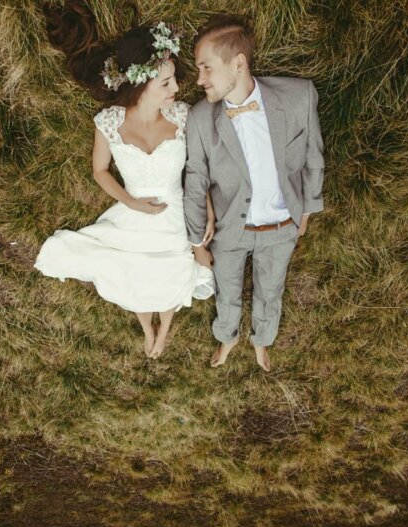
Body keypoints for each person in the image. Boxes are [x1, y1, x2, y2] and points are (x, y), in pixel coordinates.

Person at [35, 1, 215, 359]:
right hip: (133, 210)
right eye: (166, 82)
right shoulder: (109, 122)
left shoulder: (182, 116)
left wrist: (206, 209)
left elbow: (199, 168)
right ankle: (147, 325)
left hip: (176, 213)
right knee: (131, 270)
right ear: (142, 85)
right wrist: (130, 202)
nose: (176, 87)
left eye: (173, 78)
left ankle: (164, 326)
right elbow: (100, 170)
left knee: (173, 269)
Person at [184, 14, 325, 371]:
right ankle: (227, 336)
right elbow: (196, 178)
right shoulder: (201, 118)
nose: (199, 80)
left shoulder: (298, 97)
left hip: (282, 227)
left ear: (239, 64)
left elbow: (313, 157)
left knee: (271, 289)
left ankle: (262, 340)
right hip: (231, 229)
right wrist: (197, 242)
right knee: (226, 291)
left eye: (206, 68)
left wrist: (305, 212)